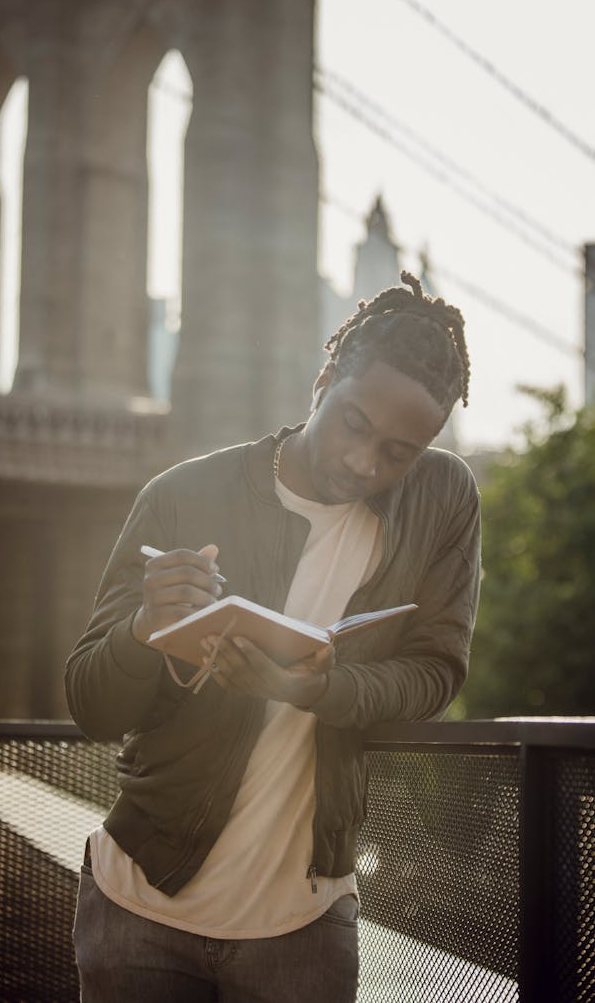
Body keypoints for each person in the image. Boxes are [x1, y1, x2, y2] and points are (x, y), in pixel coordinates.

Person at [65, 270, 481, 1003]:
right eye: (355, 424)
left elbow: (434, 674)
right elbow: (91, 704)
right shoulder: (183, 493)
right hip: (138, 913)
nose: (366, 463)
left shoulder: (441, 501)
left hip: (305, 925)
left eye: (397, 452)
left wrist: (315, 688)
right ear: (325, 377)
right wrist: (143, 628)